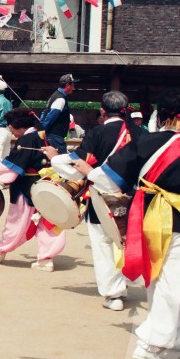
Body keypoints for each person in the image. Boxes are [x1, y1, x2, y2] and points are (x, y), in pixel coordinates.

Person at [76, 89, 180, 359]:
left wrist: (87, 172)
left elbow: (107, 181)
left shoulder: (144, 143)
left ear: (158, 117)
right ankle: (154, 343)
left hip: (145, 215)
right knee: (170, 280)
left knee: (157, 279)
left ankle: (172, 331)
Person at [50, 91, 136, 310]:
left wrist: (55, 159)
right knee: (128, 240)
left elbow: (79, 165)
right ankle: (126, 280)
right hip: (134, 195)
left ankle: (114, 293)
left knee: (103, 242)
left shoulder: (97, 133)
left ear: (103, 111)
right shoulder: (140, 133)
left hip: (102, 195)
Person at [0, 108, 67, 272]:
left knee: (17, 220)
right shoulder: (43, 135)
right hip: (45, 186)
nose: (9, 130)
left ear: (18, 125)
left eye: (10, 126)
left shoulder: (27, 140)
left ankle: (0, 250)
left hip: (26, 187)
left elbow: (12, 167)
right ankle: (46, 259)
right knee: (46, 222)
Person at [39, 73, 77, 152]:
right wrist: (43, 127)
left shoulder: (55, 95)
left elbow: (44, 112)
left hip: (52, 135)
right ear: (67, 85)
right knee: (59, 159)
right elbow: (51, 116)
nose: (74, 87)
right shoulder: (61, 99)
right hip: (55, 136)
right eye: (72, 85)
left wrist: (42, 125)